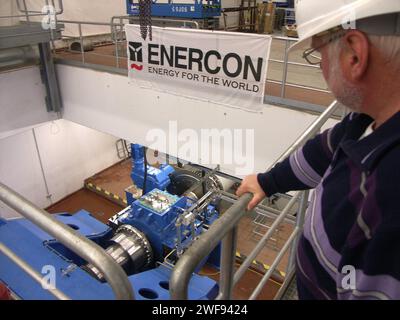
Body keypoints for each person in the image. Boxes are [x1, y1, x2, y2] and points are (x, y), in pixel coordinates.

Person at [237, 0, 400, 299]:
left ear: (354, 55)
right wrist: (267, 181)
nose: (321, 66)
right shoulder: (367, 117)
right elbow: (323, 152)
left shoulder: (389, 195)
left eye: (319, 53)